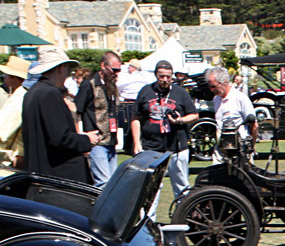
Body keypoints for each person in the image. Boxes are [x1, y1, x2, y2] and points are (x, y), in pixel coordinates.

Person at [22, 47, 98, 183]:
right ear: (60, 68)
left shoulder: (33, 92)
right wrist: (87, 139)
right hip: (58, 176)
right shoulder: (50, 93)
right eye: (67, 70)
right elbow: (60, 138)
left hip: (41, 173)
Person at [132, 59, 198, 214]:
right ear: (156, 75)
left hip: (177, 147)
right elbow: (136, 118)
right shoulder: (145, 91)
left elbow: (194, 115)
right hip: (151, 147)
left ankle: (184, 218)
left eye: (168, 76)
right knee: (152, 188)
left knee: (181, 186)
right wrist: (136, 143)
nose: (165, 80)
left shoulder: (180, 93)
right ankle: (148, 223)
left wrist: (180, 120)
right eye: (161, 76)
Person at [75, 51, 122, 187]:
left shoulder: (112, 85)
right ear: (103, 66)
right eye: (114, 70)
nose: (116, 73)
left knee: (113, 184)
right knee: (103, 184)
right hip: (97, 143)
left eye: (119, 70)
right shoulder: (89, 85)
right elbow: (76, 111)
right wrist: (81, 136)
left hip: (111, 142)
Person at [206, 66, 255, 161]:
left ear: (224, 82)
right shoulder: (216, 99)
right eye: (209, 86)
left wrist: (251, 147)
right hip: (221, 149)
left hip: (240, 149)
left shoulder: (240, 98)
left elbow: (253, 124)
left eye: (213, 86)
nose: (211, 90)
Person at [0, 56, 31, 168]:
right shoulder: (29, 95)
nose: (4, 78)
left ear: (14, 78)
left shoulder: (18, 97)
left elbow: (2, 132)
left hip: (14, 159)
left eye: (6, 75)